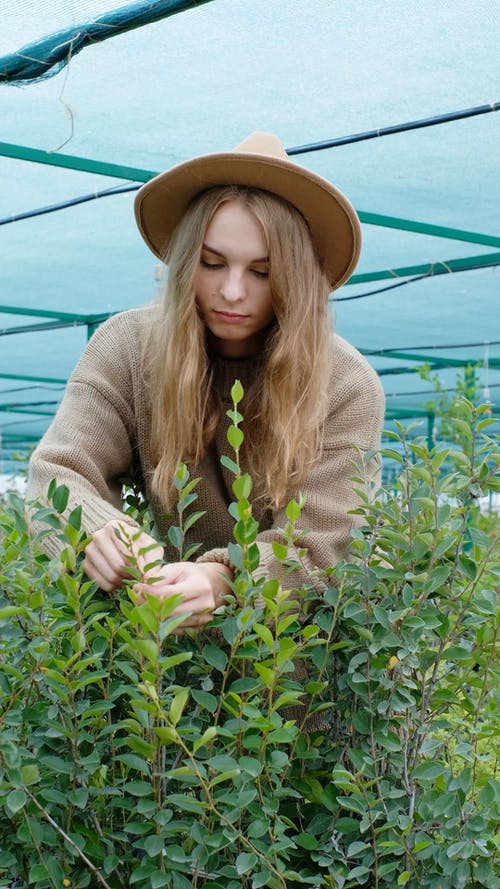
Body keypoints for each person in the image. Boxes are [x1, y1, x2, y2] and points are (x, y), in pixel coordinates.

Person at [27, 131, 385, 630]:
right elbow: (58, 471)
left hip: (293, 674)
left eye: (262, 272)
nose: (233, 291)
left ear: (297, 277)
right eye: (212, 263)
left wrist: (224, 580)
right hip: (161, 666)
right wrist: (100, 533)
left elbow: (323, 542)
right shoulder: (129, 348)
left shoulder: (345, 384)